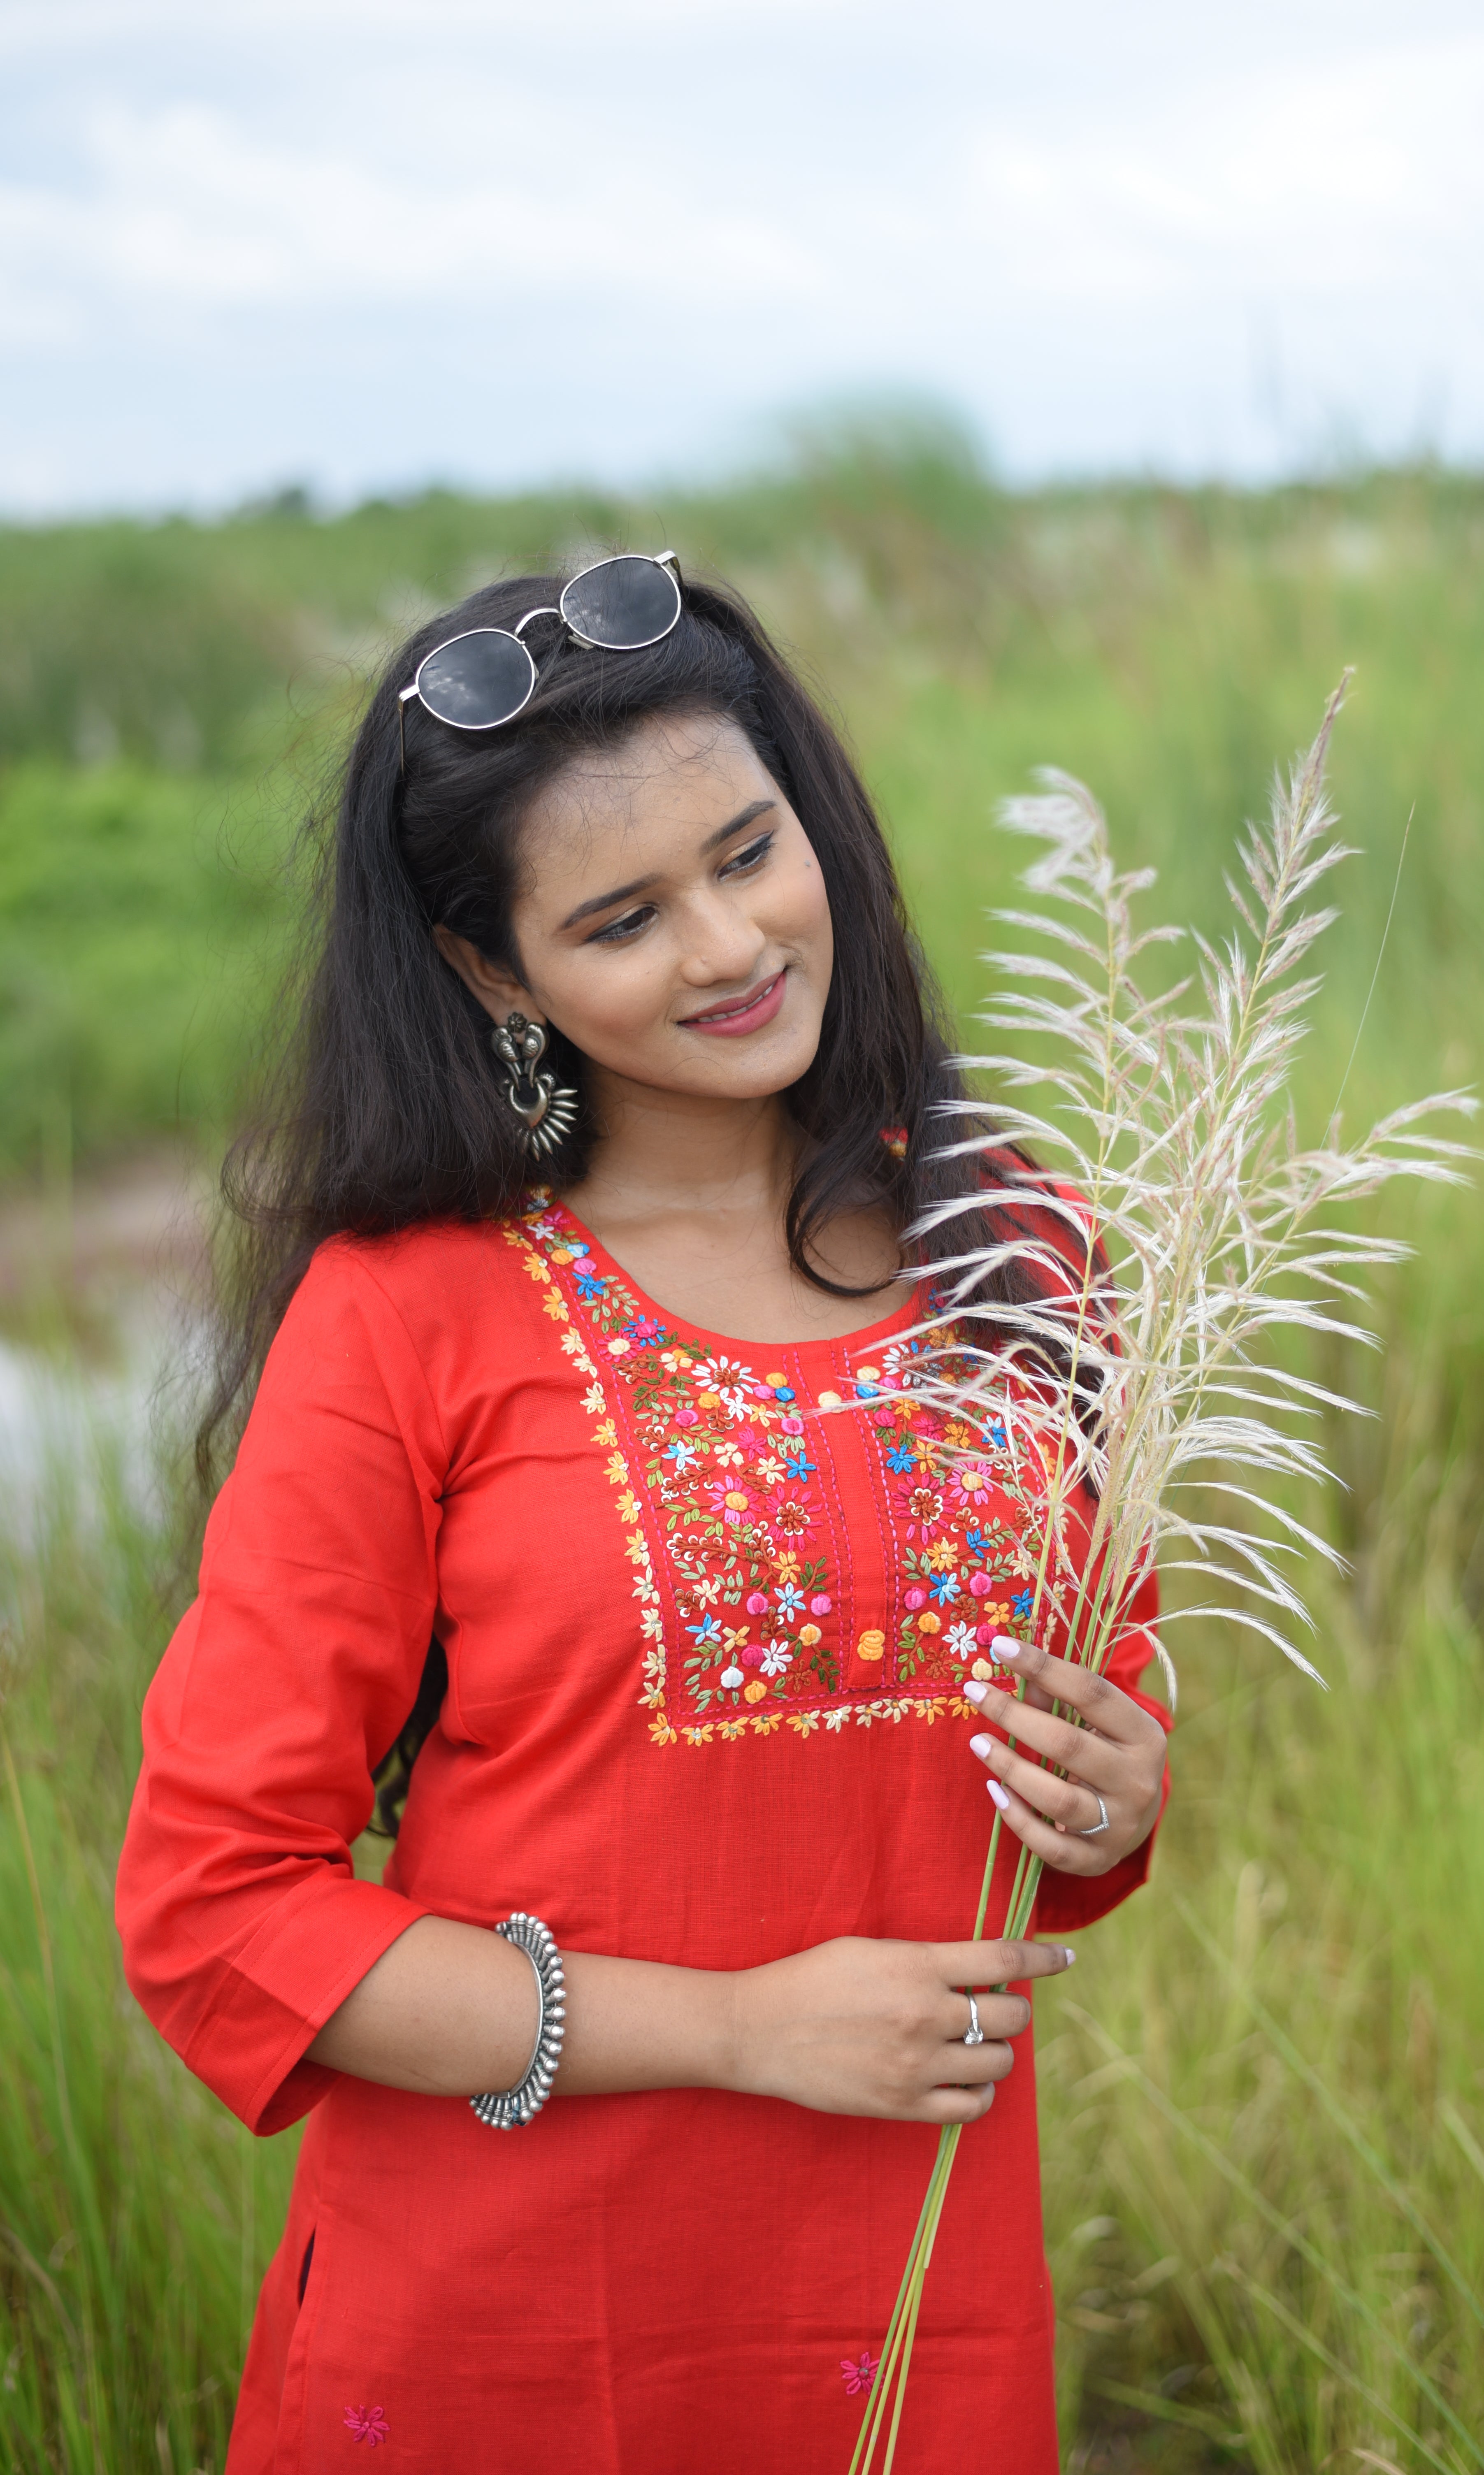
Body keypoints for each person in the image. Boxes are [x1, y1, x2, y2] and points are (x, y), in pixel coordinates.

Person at [116, 556, 1169, 2475]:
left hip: (909, 2300)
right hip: (502, 2329)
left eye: (747, 853)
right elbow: (216, 1906)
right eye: (620, 919)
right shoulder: (409, 1310)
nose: (728, 944)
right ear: (492, 972)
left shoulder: (1014, 1242)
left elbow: (1080, 1747)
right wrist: (739, 2027)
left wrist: (1115, 1795)